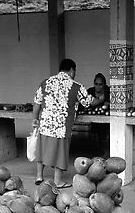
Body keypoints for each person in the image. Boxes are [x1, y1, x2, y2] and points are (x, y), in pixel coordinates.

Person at [31, 59, 103, 188]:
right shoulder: (76, 86)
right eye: (74, 71)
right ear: (71, 70)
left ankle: (39, 176)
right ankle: (57, 181)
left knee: (41, 150)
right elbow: (89, 102)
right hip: (62, 126)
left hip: (45, 123)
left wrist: (35, 118)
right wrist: (101, 100)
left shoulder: (45, 82)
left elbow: (37, 103)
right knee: (60, 153)